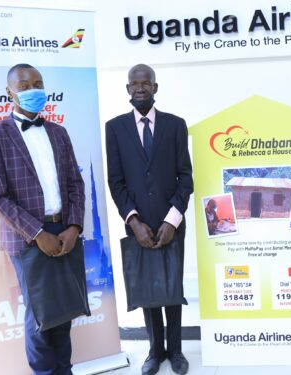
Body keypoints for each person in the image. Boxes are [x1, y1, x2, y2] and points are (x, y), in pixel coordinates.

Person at [0, 63, 85, 375]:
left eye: (38, 83)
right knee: (39, 316)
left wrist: (74, 226)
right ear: (10, 93)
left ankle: (64, 370)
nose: (33, 90)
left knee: (63, 312)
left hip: (64, 231)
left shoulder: (59, 132)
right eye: (24, 86)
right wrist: (38, 233)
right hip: (27, 238)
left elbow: (75, 184)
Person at [105, 63, 193, 375]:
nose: (140, 88)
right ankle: (154, 351)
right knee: (148, 291)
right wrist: (134, 222)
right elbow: (116, 182)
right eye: (134, 83)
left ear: (155, 88)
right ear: (127, 89)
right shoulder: (114, 128)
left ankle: (177, 351)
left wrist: (171, 220)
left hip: (172, 224)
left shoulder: (175, 125)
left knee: (171, 288)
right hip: (137, 225)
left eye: (146, 83)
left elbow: (186, 178)